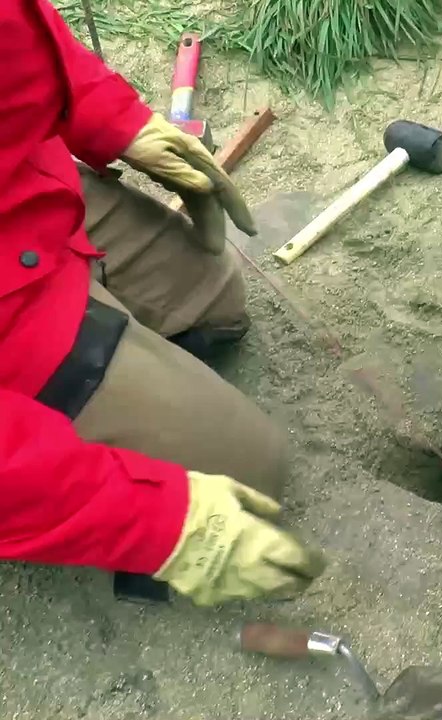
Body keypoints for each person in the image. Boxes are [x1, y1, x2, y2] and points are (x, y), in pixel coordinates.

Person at [0, 0, 325, 606]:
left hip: (24, 201)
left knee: (217, 302)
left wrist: (113, 119)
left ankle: (106, 346)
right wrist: (156, 525)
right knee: (249, 470)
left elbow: (19, 35)